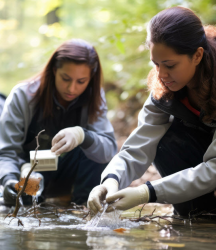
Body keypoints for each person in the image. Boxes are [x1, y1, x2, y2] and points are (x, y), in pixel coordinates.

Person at [88, 6, 216, 217]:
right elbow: (138, 146)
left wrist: (147, 193)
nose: (161, 74)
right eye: (156, 64)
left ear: (197, 55)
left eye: (170, 65)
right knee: (165, 138)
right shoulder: (164, 90)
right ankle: (195, 216)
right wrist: (110, 180)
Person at [0, 39, 117, 206]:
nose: (72, 89)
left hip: (70, 177)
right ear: (53, 70)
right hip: (28, 175)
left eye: (81, 81)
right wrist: (8, 181)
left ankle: (84, 209)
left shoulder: (94, 98)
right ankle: (27, 199)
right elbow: (5, 152)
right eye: (66, 78)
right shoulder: (22, 96)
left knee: (95, 148)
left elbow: (108, 150)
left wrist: (83, 135)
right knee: (25, 205)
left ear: (91, 78)